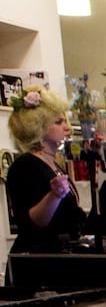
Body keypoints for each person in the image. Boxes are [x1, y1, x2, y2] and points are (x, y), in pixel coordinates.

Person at [5, 86, 85, 254]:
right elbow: (34, 222)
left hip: (59, 254)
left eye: (65, 121)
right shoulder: (25, 166)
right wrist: (54, 195)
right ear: (38, 128)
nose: (67, 128)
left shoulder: (53, 163)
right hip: (38, 261)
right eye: (58, 122)